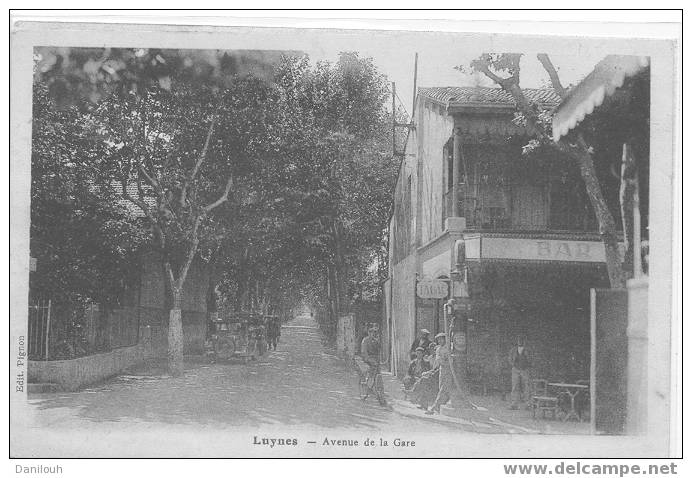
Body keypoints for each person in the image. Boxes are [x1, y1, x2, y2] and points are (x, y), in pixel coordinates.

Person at [426, 332, 454, 415]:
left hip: (448, 370)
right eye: (438, 340)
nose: (440, 341)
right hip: (441, 369)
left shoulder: (449, 347)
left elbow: (450, 360)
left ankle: (434, 407)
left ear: (445, 339)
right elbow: (437, 361)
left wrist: (444, 361)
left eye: (441, 339)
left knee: (443, 389)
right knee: (441, 388)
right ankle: (439, 406)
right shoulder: (438, 349)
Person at [509, 335, 532, 410]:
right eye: (519, 340)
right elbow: (510, 358)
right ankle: (514, 404)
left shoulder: (528, 350)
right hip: (516, 369)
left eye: (521, 340)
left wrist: (527, 357)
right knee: (515, 386)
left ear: (524, 341)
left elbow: (531, 359)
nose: (520, 341)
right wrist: (512, 364)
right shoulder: (513, 349)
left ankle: (527, 404)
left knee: (526, 387)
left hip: (525, 369)